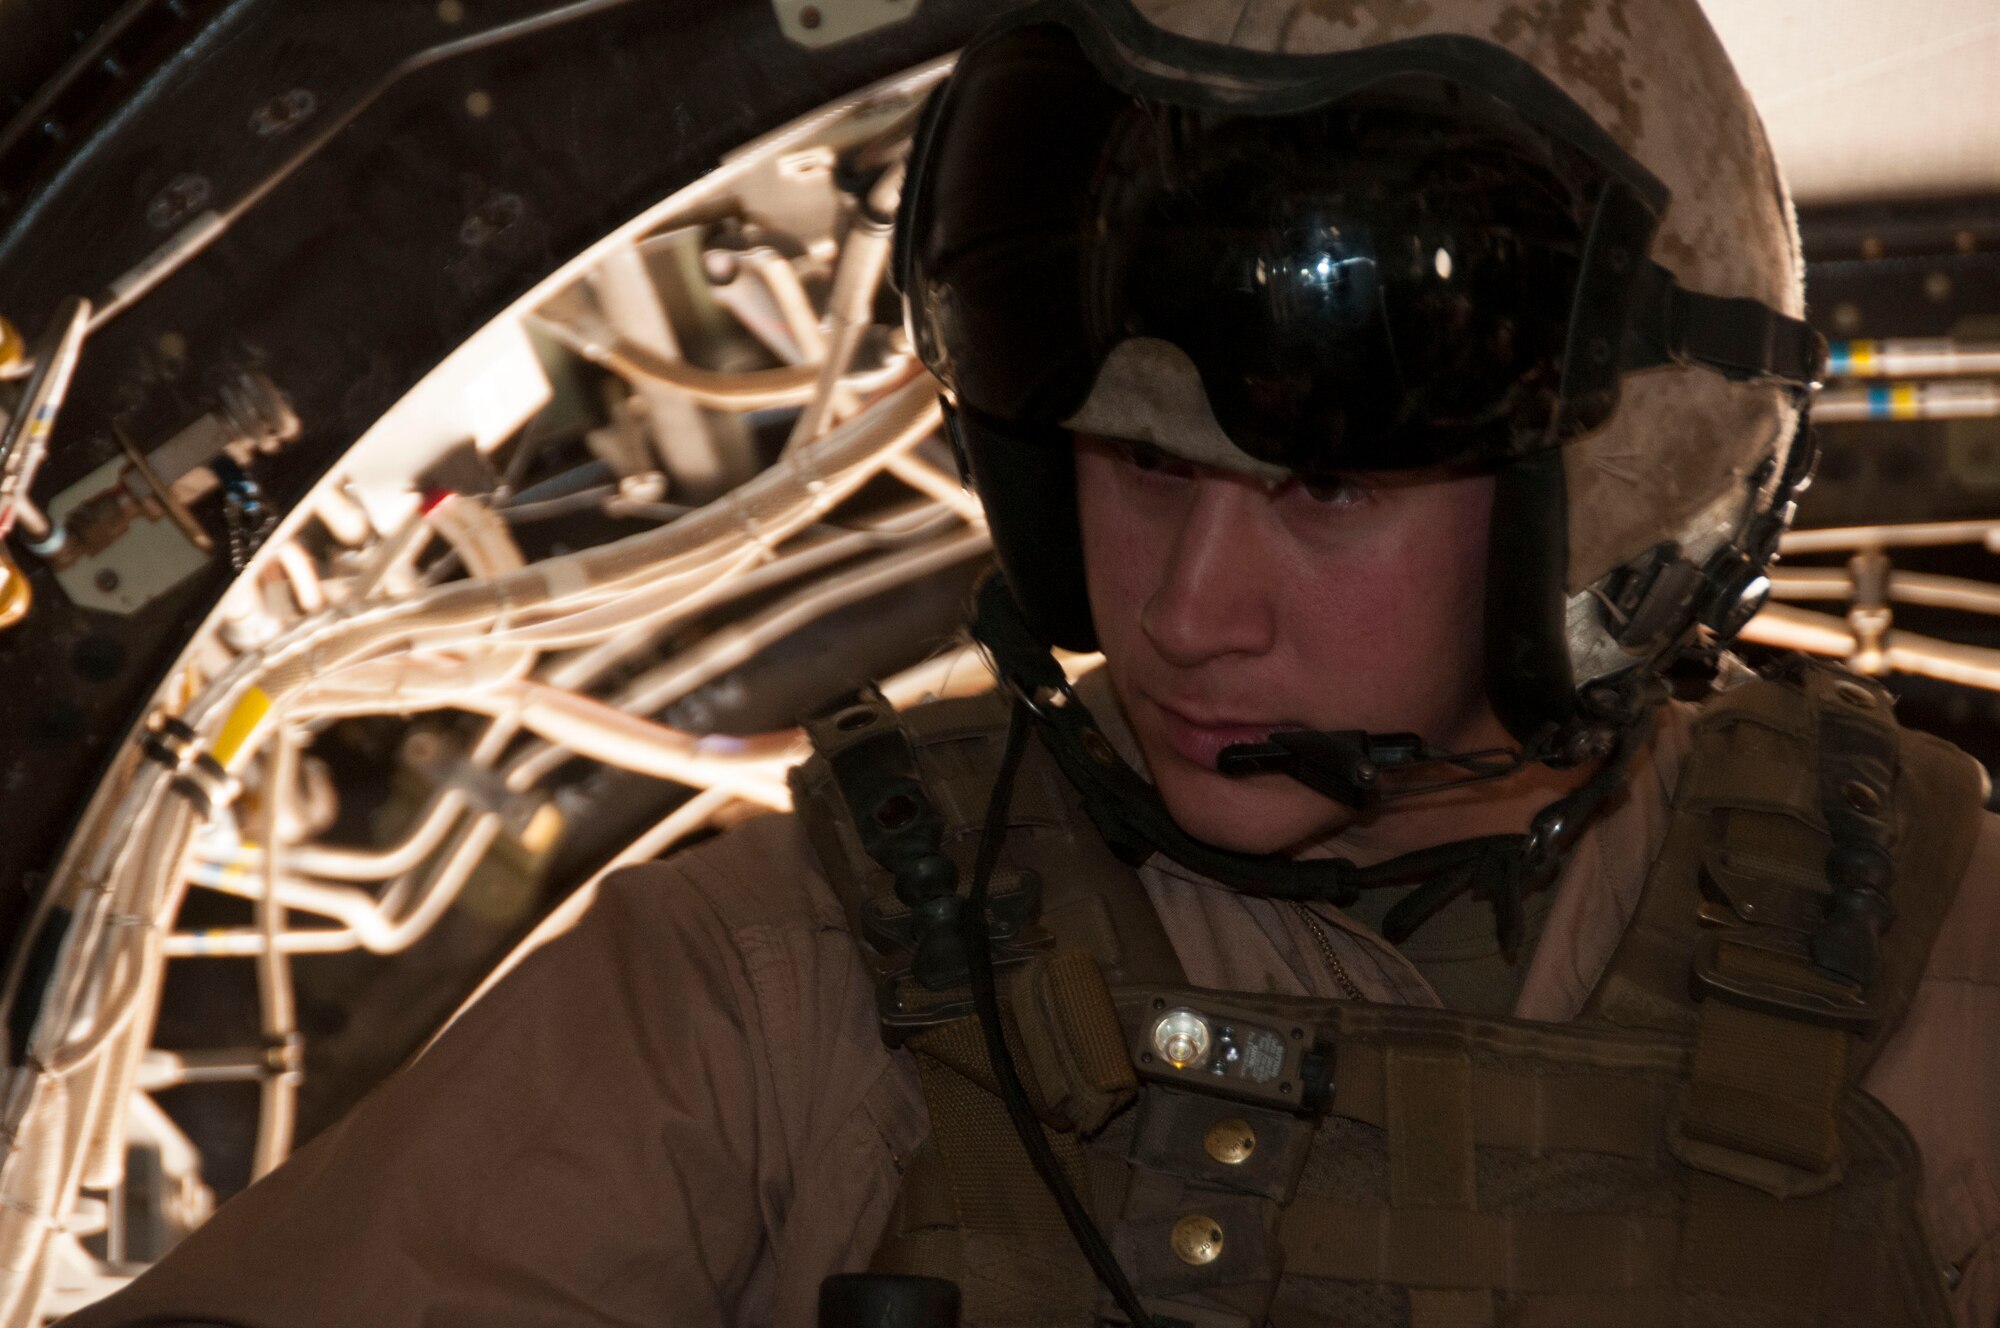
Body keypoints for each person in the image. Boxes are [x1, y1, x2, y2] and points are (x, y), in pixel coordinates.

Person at [67, 0, 2000, 1325]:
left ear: (1620, 490)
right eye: (1141, 467)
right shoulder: (772, 991)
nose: (1182, 610)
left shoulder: (1943, 974)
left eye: (1321, 490)